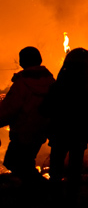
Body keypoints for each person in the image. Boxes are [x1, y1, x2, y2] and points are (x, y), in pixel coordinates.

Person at [40, 47, 88, 201]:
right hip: (80, 134)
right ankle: (71, 199)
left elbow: (46, 109)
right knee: (75, 170)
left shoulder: (57, 87)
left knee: (56, 168)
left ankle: (56, 198)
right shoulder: (87, 89)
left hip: (59, 132)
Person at [0, 46, 55, 185]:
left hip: (23, 131)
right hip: (40, 130)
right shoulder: (50, 81)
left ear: (23, 61)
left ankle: (42, 190)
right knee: (27, 163)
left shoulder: (22, 83)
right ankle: (34, 193)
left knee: (13, 163)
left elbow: (10, 109)